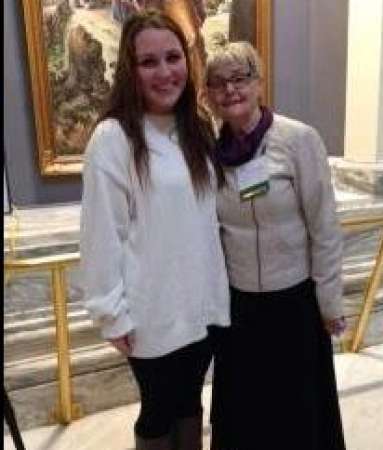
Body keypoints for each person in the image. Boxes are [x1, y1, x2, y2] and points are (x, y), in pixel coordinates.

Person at [80, 9, 230, 450]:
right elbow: (101, 233)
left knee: (189, 403)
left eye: (172, 57)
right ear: (129, 69)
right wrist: (111, 312)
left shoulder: (197, 129)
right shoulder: (113, 138)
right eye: (149, 62)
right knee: (159, 410)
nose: (165, 72)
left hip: (201, 305)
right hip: (152, 310)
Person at [205, 41, 347, 450]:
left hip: (295, 304)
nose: (230, 90)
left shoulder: (298, 139)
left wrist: (331, 302)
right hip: (240, 308)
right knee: (246, 415)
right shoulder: (210, 153)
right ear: (208, 95)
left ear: (259, 83)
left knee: (297, 412)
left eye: (240, 78)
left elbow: (324, 226)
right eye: (218, 83)